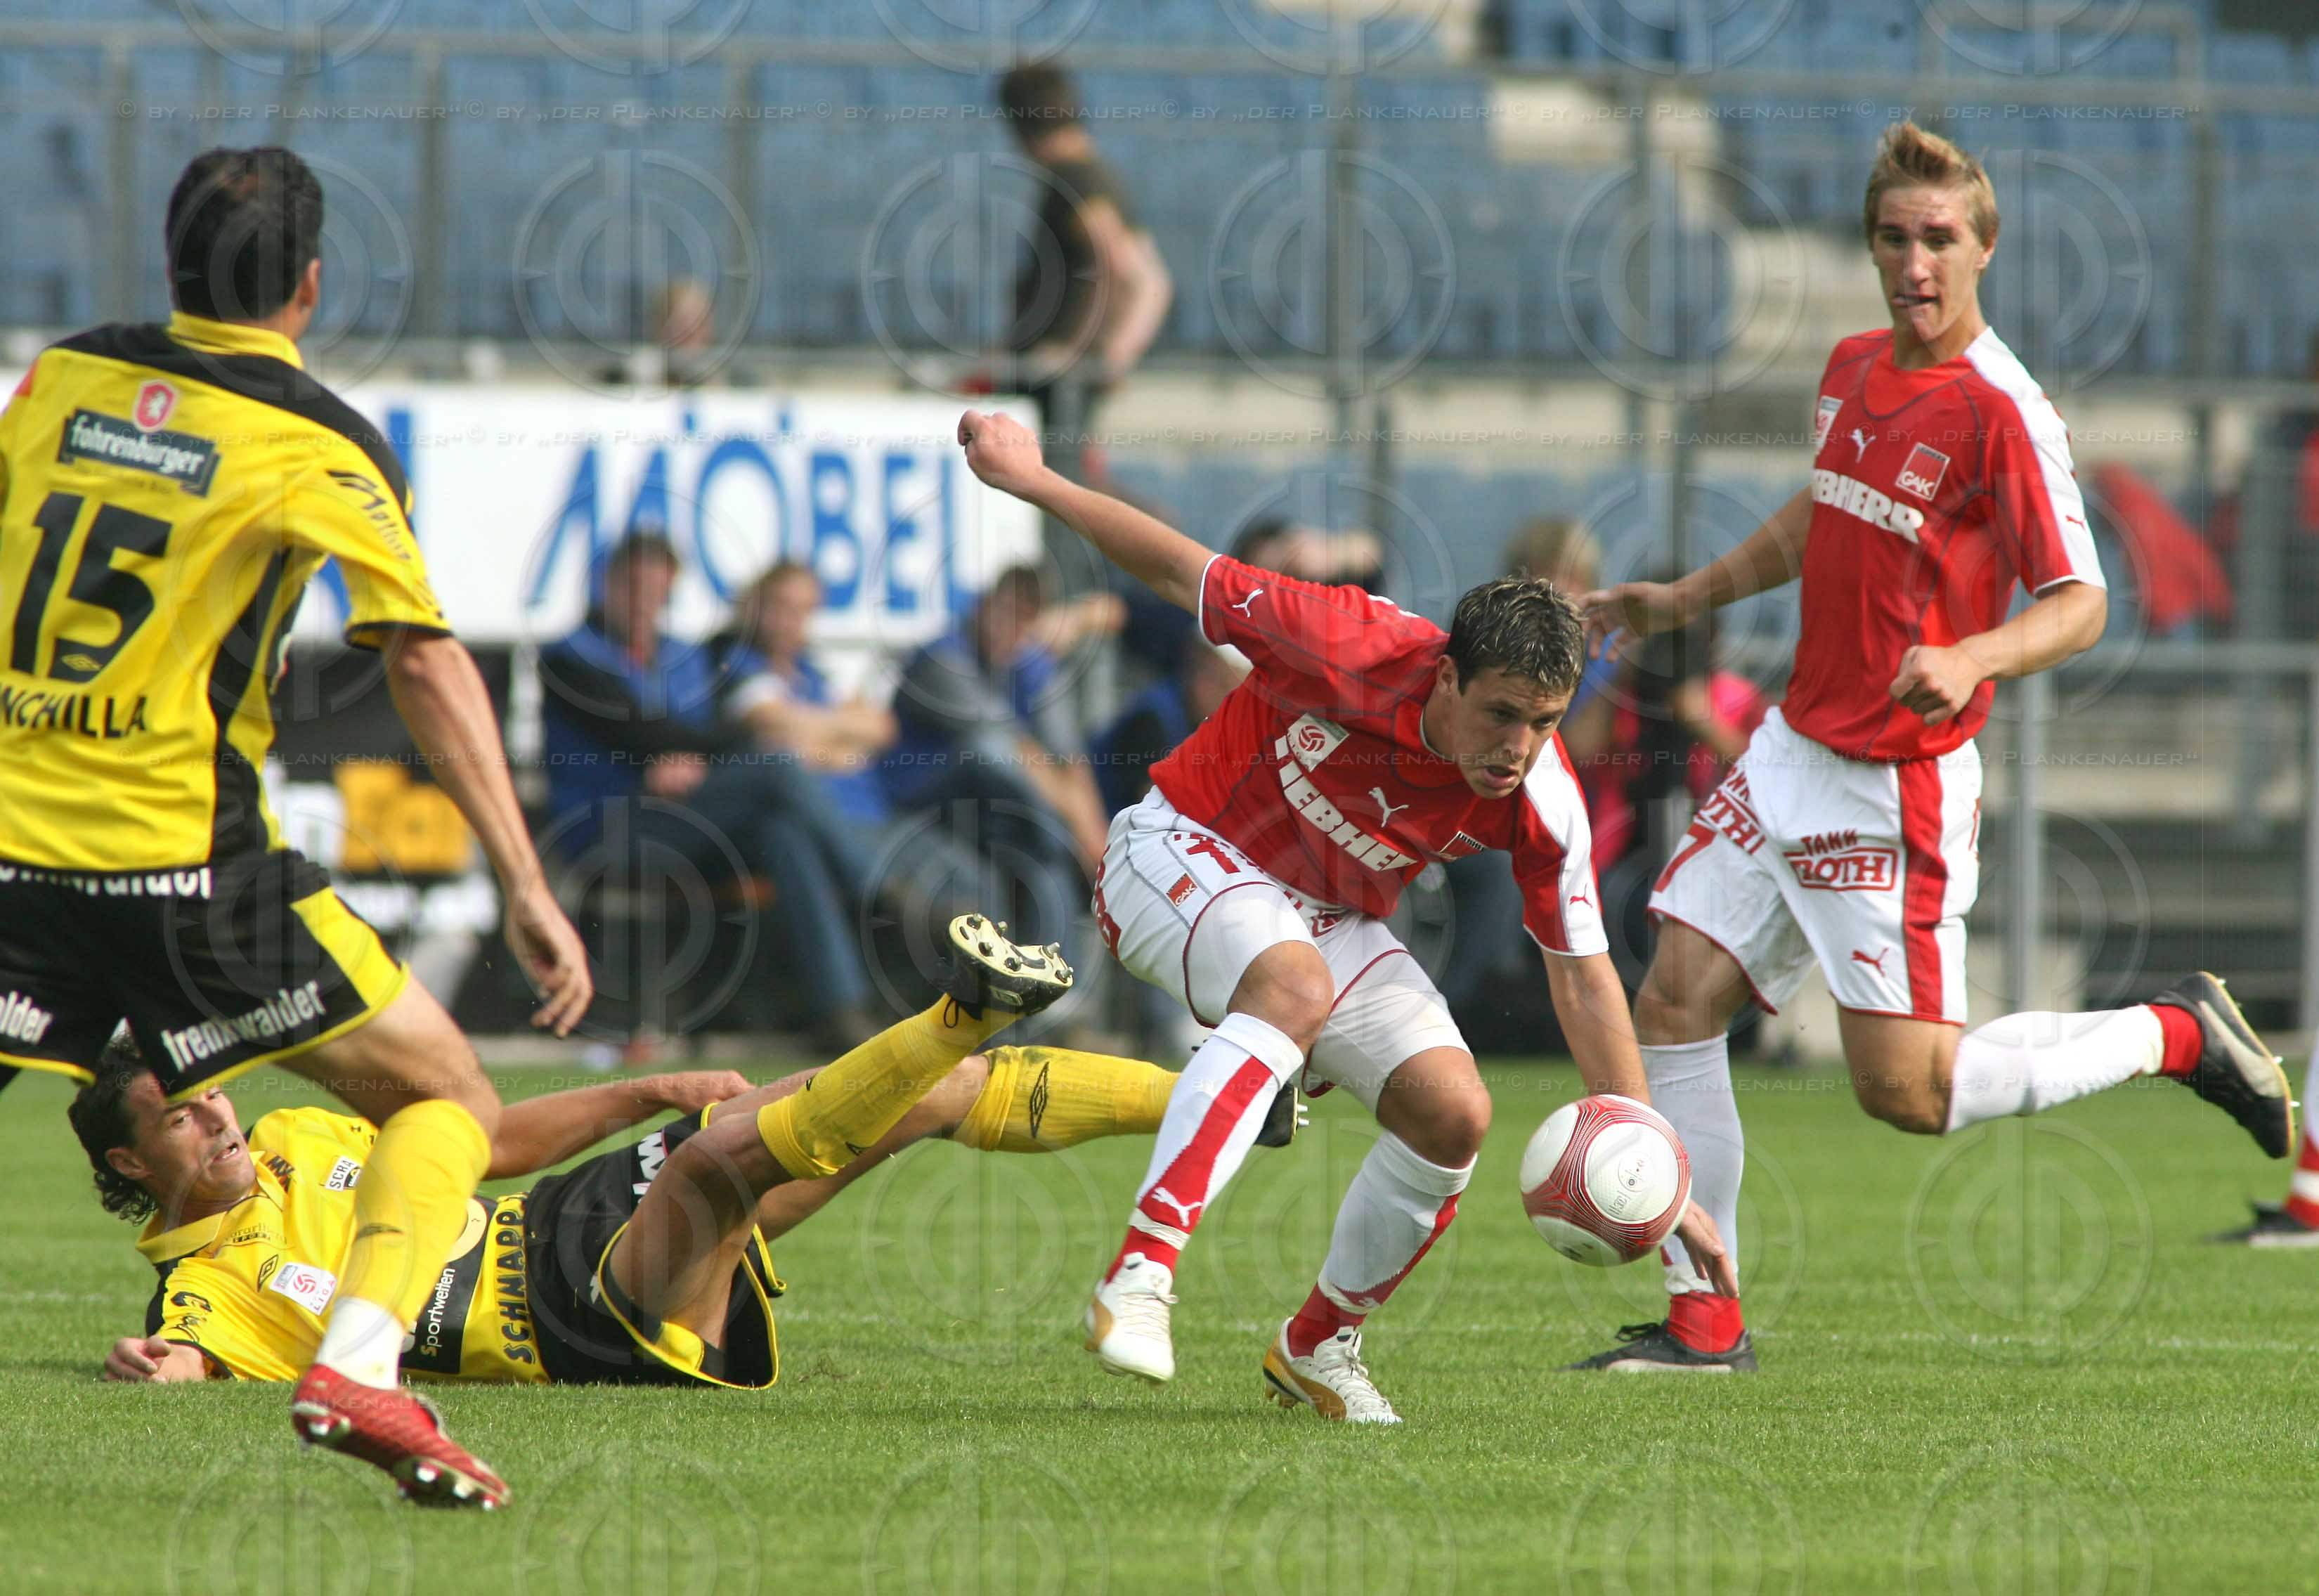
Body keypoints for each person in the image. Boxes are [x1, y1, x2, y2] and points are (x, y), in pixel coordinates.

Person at [1571, 122, 2293, 1372]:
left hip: (1894, 782)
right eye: (1896, 238)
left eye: (1941, 238)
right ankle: (1707, 1322)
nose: (1918, 261)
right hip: (1794, 744)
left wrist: (1971, 655)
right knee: (1673, 1002)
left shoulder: (2004, 412)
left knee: (1905, 1093)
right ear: (1872, 247)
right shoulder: (1853, 366)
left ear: (1985, 247)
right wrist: (1689, 597)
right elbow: (1825, 510)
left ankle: (2175, 1032)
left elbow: (2080, 599)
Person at [0, 145, 594, 1505]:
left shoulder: (61, 380)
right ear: (313, 286)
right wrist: (524, 882)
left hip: (10, 847)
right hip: (179, 864)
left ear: (168, 257)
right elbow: (424, 660)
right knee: (450, 1098)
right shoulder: (316, 435)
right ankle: (358, 1368)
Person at [954, 406, 1735, 1425]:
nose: (1520, 746)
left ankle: (1319, 1344)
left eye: (1544, 722)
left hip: (1324, 915)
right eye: (1501, 713)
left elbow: (1584, 976)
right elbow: (1177, 569)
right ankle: (1140, 1271)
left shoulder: (1542, 796)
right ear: (1446, 674)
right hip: (1178, 846)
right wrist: (1035, 482)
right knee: (1293, 985)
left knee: (1455, 1111)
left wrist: (1656, 1173)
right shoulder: (1346, 640)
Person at [86, 918, 1295, 1387]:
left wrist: (646, 1085)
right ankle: (958, 1008)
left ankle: (1225, 1100)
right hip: (568, 1315)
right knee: (720, 1162)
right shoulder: (204, 1288)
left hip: (562, 1214)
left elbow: (487, 1143)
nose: (219, 1115)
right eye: (180, 1117)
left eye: (206, 1092)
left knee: (928, 1103)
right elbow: (188, 1363)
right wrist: (157, 1372)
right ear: (135, 1167)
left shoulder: (299, 1129)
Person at [538, 529, 885, 1052]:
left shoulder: (684, 656)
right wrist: (686, 751)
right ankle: (872, 879)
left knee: (783, 831)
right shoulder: (568, 657)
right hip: (611, 828)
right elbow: (641, 732)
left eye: (658, 592)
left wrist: (692, 754)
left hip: (687, 821)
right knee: (775, 769)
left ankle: (842, 1011)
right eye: (634, 588)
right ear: (606, 585)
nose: (645, 604)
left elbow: (722, 729)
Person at [883, 564, 1118, 1025]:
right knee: (995, 760)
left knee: (1046, 853)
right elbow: (1011, 748)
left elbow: (1068, 756)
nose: (1011, 629)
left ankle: (1051, 998)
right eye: (1006, 613)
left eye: (1025, 620)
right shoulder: (942, 657)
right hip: (919, 814)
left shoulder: (1026, 662)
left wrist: (1096, 840)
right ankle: (1018, 1008)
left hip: (1000, 818)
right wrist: (1078, 831)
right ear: (985, 604)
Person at [997, 61, 1172, 469]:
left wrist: (1090, 356)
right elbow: (1151, 281)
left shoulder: (1074, 179)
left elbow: (1136, 276)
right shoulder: (1096, 175)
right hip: (1063, 385)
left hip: (1058, 390)